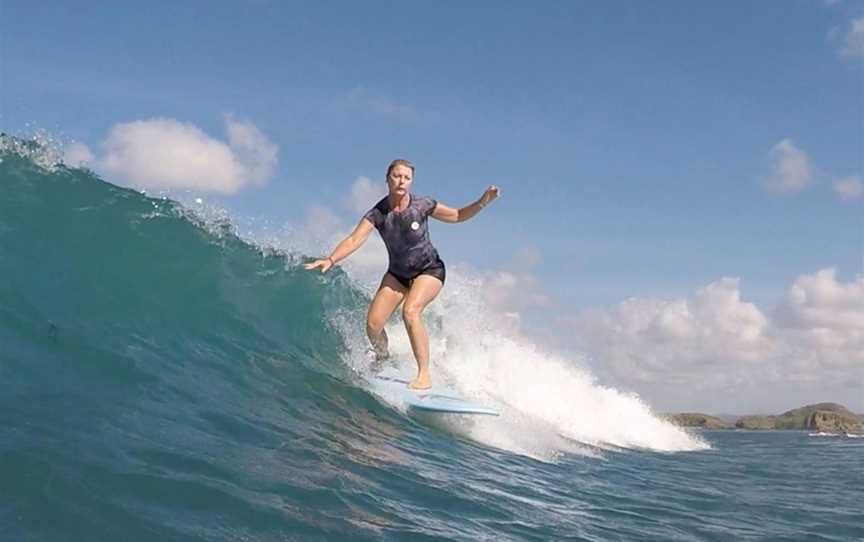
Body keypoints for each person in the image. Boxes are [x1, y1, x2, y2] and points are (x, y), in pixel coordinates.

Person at [304, 159, 499, 389]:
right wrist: (331, 259)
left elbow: (457, 215)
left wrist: (482, 202)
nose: (401, 181)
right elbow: (355, 239)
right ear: (387, 179)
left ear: (411, 181)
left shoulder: (422, 205)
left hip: (430, 270)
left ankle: (424, 375)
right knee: (373, 324)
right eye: (397, 176)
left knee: (411, 311)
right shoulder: (377, 213)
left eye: (406, 177)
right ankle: (383, 357)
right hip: (397, 274)